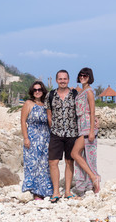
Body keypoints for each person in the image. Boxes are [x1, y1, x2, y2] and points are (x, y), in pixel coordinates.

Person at [44, 70, 78, 203]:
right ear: (56, 80)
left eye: (65, 79)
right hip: (56, 134)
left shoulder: (75, 94)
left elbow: (82, 111)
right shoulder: (50, 95)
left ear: (68, 80)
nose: (62, 81)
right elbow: (49, 114)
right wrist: (53, 128)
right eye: (60, 79)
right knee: (53, 161)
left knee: (70, 161)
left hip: (72, 133)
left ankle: (68, 191)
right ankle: (56, 191)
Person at [21, 81, 53, 200]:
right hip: (33, 138)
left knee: (44, 165)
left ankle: (44, 190)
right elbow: (23, 121)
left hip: (46, 138)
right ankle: (34, 191)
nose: (37, 91)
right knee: (32, 164)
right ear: (32, 92)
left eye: (39, 89)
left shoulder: (46, 104)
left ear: (43, 91)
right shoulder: (29, 103)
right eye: (35, 90)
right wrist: (26, 138)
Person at [71, 67, 100, 195]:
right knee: (82, 155)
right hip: (80, 125)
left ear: (90, 77)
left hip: (87, 125)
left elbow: (92, 110)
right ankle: (88, 183)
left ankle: (94, 178)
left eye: (85, 76)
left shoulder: (89, 91)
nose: (82, 77)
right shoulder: (81, 91)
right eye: (81, 75)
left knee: (75, 154)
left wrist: (92, 130)